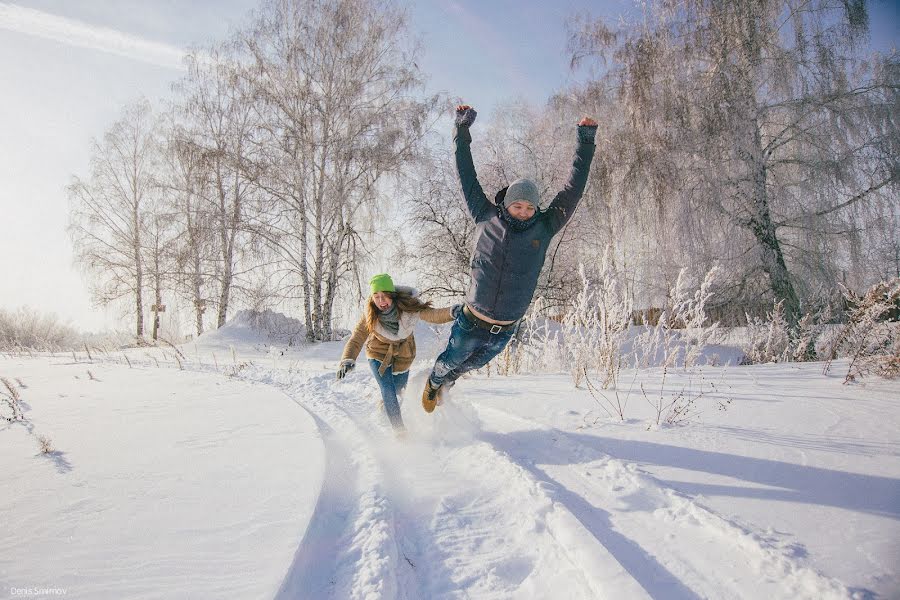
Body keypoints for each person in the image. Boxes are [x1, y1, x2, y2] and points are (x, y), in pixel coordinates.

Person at [421, 105, 598, 412]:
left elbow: (573, 190)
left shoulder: (545, 227)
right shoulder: (486, 216)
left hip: (506, 328)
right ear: (508, 203)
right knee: (451, 359)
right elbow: (466, 175)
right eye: (518, 206)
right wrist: (461, 131)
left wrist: (586, 140)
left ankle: (447, 383)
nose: (524, 212)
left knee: (469, 366)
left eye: (530, 208)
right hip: (472, 319)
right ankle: (434, 382)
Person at [338, 273, 456, 434]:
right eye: (376, 296)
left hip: (403, 355)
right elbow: (356, 339)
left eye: (385, 296)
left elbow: (432, 315)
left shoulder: (408, 308)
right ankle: (399, 431)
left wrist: (454, 312)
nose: (381, 301)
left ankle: (384, 412)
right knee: (388, 389)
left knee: (399, 392)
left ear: (392, 295)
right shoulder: (370, 314)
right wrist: (347, 358)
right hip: (378, 354)